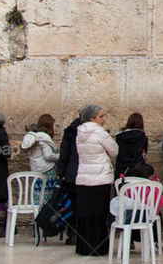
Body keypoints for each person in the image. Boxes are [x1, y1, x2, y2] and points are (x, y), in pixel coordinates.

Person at [74, 104, 118, 256]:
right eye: (101, 116)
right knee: (99, 214)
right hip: (100, 177)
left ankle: (84, 247)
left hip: (84, 176)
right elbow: (114, 151)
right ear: (92, 118)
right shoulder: (100, 133)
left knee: (86, 213)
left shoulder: (80, 133)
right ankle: (98, 247)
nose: (104, 119)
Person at [20, 113, 58, 203]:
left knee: (38, 194)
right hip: (47, 170)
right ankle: (45, 216)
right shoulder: (44, 139)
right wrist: (61, 156)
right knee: (48, 196)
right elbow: (48, 156)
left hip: (36, 170)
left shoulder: (34, 138)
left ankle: (38, 214)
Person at [56, 116, 81, 245]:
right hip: (83, 173)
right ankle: (81, 234)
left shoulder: (69, 132)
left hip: (71, 173)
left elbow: (64, 153)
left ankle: (73, 234)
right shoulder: (88, 131)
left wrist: (61, 172)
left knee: (73, 205)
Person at [114, 112, 148, 178]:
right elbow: (144, 153)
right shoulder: (143, 137)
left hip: (121, 169)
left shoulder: (119, 136)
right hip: (137, 170)